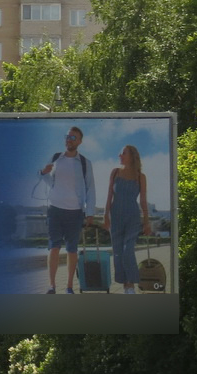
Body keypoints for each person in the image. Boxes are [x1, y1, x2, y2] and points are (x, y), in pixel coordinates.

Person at [40, 126, 96, 294]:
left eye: (73, 137)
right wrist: (43, 172)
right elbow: (47, 180)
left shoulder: (85, 163)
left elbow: (90, 188)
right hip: (55, 209)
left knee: (72, 249)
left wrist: (90, 212)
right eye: (67, 136)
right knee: (54, 247)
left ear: (79, 141)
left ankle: (69, 286)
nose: (69, 140)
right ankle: (51, 286)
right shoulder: (56, 158)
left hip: (75, 211)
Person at [103, 144, 153, 294]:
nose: (120, 155)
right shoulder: (115, 173)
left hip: (132, 217)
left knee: (127, 251)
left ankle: (130, 284)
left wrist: (146, 222)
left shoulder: (140, 177)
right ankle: (127, 287)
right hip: (115, 216)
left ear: (132, 156)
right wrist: (105, 215)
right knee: (118, 253)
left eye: (123, 153)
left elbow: (143, 200)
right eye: (120, 153)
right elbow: (109, 196)